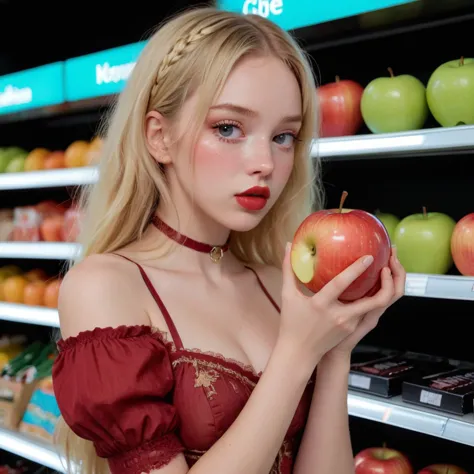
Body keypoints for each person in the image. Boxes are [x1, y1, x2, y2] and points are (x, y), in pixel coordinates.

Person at [51, 6, 405, 474]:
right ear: (159, 137)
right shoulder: (105, 287)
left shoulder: (279, 282)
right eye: (228, 128)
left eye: (284, 136)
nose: (265, 162)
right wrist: (298, 353)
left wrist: (336, 351)